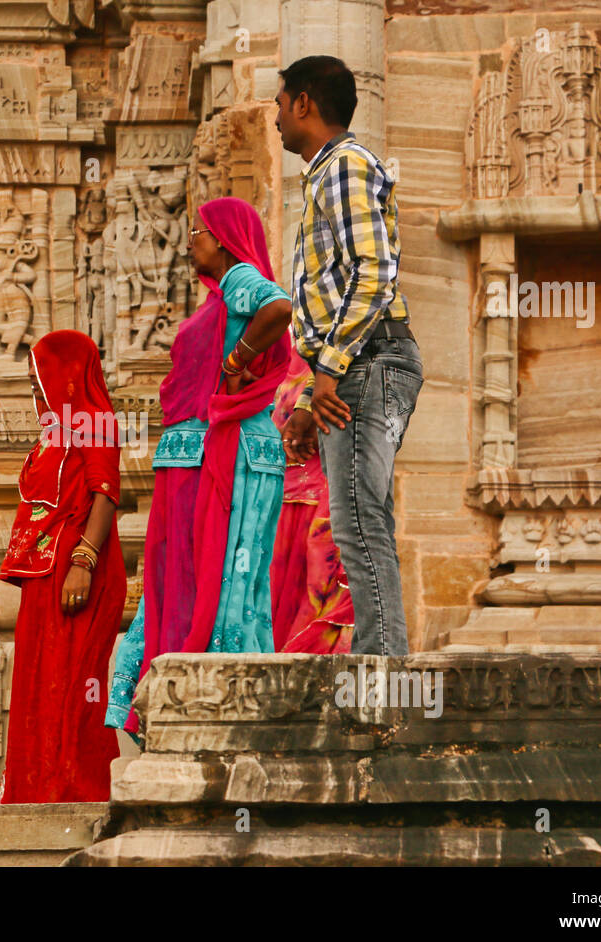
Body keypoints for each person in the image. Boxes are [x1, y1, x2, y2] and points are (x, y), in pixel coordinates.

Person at [104, 196, 294, 740]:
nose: (192, 240)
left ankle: (220, 704)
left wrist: (237, 361)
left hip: (228, 452)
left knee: (225, 571)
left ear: (226, 239)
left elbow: (280, 308)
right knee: (186, 570)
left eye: (200, 231)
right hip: (201, 454)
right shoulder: (219, 298)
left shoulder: (240, 279)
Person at [274, 55, 424, 657]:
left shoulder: (345, 168)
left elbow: (373, 274)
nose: (277, 118)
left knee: (358, 522)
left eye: (281, 104)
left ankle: (383, 671)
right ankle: (379, 661)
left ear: (305, 102)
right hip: (357, 365)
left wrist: (330, 371)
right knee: (363, 519)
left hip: (369, 360)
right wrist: (316, 391)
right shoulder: (328, 173)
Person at [0, 330, 125, 803]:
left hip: (79, 571)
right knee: (39, 683)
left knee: (76, 687)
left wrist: (84, 561)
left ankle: (78, 790)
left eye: (40, 382)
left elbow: (105, 492)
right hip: (43, 577)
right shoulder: (53, 435)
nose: (35, 393)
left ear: (68, 376)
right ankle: (36, 789)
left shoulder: (96, 421)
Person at [269, 351, 355, 653]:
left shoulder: (339, 354)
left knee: (322, 598)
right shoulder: (280, 353)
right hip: (277, 504)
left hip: (322, 503)